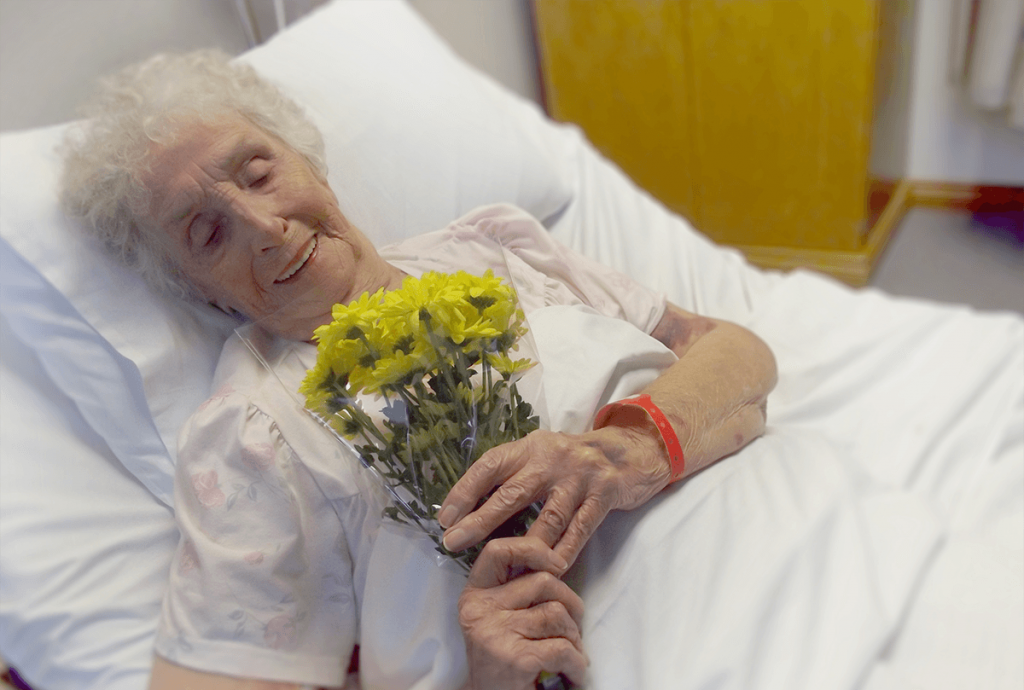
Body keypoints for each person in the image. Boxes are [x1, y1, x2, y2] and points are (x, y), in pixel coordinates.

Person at [60, 51, 777, 690]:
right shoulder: (253, 434)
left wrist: (628, 451)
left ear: (308, 159)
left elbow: (733, 353)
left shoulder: (490, 248)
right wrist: (488, 679)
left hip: (781, 531)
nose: (267, 226)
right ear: (199, 291)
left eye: (259, 173)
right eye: (208, 232)